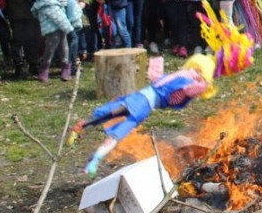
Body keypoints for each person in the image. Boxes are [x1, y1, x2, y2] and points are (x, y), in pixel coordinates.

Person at [72, 54, 216, 177]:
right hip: (140, 103)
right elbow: (191, 86)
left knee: (112, 118)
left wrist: (158, 60)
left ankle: (90, 147)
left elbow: (163, 79)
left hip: (140, 101)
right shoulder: (182, 81)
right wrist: (207, 82)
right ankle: (91, 148)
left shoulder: (180, 81)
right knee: (113, 122)